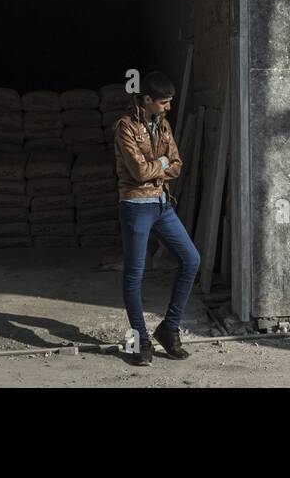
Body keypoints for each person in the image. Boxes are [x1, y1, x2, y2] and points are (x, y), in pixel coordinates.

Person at [114, 70, 201, 365]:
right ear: (147, 99)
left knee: (191, 259)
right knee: (135, 274)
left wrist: (159, 164)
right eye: (164, 102)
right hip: (136, 206)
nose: (168, 108)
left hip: (163, 204)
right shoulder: (125, 127)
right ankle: (139, 339)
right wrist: (162, 163)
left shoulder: (162, 125)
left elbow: (177, 164)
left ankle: (169, 328)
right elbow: (137, 173)